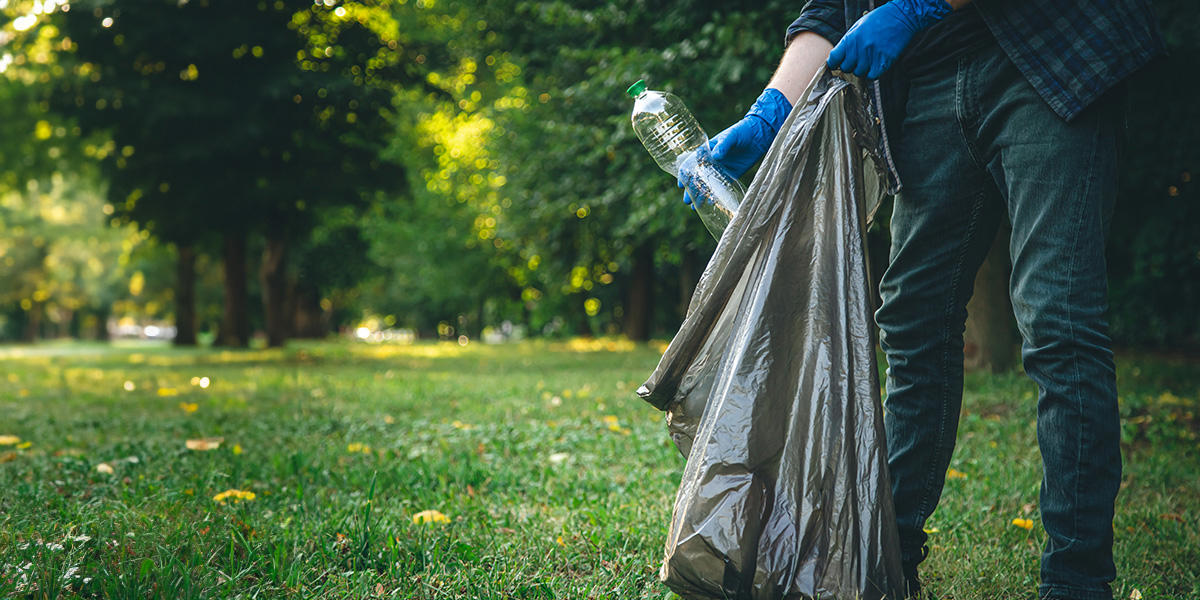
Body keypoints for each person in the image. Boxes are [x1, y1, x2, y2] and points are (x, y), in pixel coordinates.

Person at [680, 1, 1165, 598]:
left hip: (1046, 51)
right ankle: (889, 561)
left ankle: (1076, 580)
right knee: (911, 323)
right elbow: (833, 9)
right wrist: (768, 113)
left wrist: (918, 5)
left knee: (1058, 321)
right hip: (932, 77)